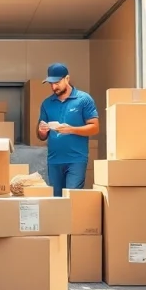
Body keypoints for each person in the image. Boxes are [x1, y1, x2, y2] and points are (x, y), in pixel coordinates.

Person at [36, 63, 100, 196]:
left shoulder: (83, 99)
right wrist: (42, 131)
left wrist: (71, 129)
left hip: (76, 159)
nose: (54, 87)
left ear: (67, 79)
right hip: (54, 160)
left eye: (57, 82)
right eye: (51, 84)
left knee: (72, 199)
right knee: (57, 201)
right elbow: (41, 136)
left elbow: (95, 127)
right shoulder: (47, 103)